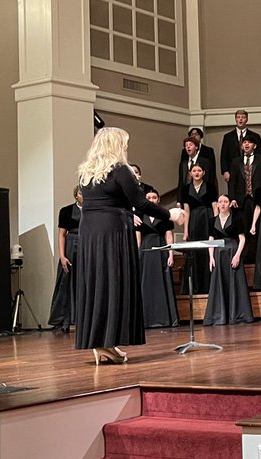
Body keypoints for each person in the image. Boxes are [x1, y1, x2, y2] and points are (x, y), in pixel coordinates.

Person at [74, 127, 184, 364]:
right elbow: (141, 203)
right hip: (112, 229)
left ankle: (102, 342)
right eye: (124, 144)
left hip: (90, 232)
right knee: (114, 281)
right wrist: (170, 214)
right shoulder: (120, 170)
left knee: (97, 283)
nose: (125, 148)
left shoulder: (86, 173)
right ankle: (107, 339)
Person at [203, 195, 254, 325]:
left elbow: (242, 239)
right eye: (220, 202)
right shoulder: (212, 220)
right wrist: (211, 257)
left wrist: (237, 255)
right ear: (218, 205)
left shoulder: (237, 218)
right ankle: (219, 316)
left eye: (226, 202)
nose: (223, 204)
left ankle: (237, 315)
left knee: (235, 283)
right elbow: (211, 240)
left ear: (230, 204)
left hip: (232, 251)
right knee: (219, 284)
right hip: (219, 254)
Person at [136, 186, 179, 329]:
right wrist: (138, 254)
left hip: (161, 249)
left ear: (158, 200)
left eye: (154, 198)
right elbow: (138, 237)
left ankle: (166, 318)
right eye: (149, 198)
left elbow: (169, 235)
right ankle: (145, 320)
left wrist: (171, 253)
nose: (152, 200)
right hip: (146, 250)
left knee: (162, 282)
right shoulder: (140, 215)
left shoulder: (165, 214)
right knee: (145, 282)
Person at [47, 187, 82, 332]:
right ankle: (65, 320)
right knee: (67, 282)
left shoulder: (93, 211)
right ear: (75, 195)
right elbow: (62, 234)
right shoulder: (66, 211)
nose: (83, 196)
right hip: (71, 245)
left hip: (88, 244)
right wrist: (62, 255)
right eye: (81, 193)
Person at [180, 162, 213, 295]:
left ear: (203, 173)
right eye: (194, 170)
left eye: (199, 170)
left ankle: (208, 285)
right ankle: (195, 286)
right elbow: (186, 211)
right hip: (193, 219)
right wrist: (185, 230)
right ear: (190, 173)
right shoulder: (186, 189)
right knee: (195, 252)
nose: (197, 173)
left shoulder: (210, 187)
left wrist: (215, 225)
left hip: (206, 218)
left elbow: (215, 207)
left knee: (206, 250)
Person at [227, 135, 261, 219]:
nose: (247, 144)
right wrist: (232, 198)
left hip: (258, 198)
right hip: (241, 199)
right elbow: (232, 182)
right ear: (241, 146)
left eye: (249, 142)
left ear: (255, 146)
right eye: (244, 142)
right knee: (244, 226)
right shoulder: (235, 161)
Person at [221, 110, 261, 187]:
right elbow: (224, 156)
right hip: (233, 170)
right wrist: (225, 171)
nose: (240, 119)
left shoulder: (255, 136)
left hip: (251, 170)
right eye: (238, 117)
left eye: (243, 117)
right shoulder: (228, 137)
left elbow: (260, 154)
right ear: (235, 119)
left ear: (247, 119)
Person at [177, 130, 217, 201]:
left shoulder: (205, 162)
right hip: (186, 197)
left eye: (190, 145)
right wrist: (179, 201)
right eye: (186, 146)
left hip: (202, 198)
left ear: (196, 147)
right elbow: (181, 183)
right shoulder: (183, 163)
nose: (188, 147)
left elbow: (209, 180)